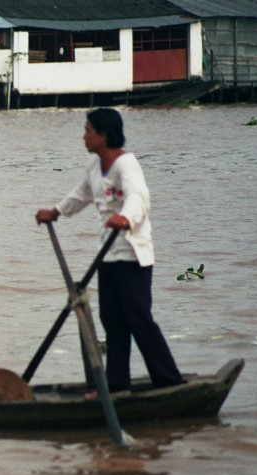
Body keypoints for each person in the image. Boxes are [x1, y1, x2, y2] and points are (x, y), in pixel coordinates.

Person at [35, 107, 183, 393]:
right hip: (108, 253)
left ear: (103, 136)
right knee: (112, 321)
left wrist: (126, 218)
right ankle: (116, 386)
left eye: (88, 130)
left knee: (138, 318)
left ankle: (169, 381)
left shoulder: (126, 164)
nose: (84, 136)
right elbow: (80, 196)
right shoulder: (94, 167)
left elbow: (139, 196)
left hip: (132, 252)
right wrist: (55, 212)